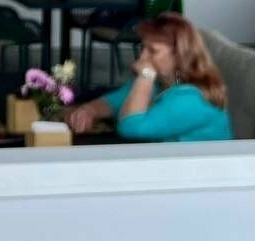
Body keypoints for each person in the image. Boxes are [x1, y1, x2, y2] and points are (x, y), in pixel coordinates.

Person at [67, 12, 231, 143]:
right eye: (143, 48)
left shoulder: (193, 99)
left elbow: (130, 127)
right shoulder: (163, 82)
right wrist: (90, 110)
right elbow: (115, 100)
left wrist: (145, 76)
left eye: (153, 51)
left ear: (179, 56)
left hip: (201, 172)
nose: (142, 57)